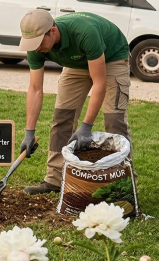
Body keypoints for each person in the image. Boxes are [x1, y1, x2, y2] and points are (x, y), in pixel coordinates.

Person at [17, 10, 131, 195]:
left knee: (114, 120)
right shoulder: (35, 46)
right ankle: (54, 179)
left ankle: (122, 184)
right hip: (76, 64)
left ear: (52, 31)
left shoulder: (85, 32)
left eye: (39, 43)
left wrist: (86, 126)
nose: (36, 48)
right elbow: (35, 89)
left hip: (111, 58)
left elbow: (99, 83)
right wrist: (29, 132)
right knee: (62, 118)